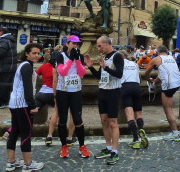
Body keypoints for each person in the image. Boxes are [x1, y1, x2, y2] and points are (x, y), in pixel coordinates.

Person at [6, 43, 44, 171]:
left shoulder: (22, 65)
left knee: (14, 132)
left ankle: (11, 162)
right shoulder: (27, 67)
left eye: (38, 53)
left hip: (14, 103)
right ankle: (28, 164)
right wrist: (32, 105)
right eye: (34, 53)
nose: (37, 56)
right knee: (26, 134)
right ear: (27, 53)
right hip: (23, 105)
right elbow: (28, 88)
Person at [86, 36, 123, 165]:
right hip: (102, 91)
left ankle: (115, 151)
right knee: (104, 120)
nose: (98, 48)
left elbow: (119, 74)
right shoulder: (104, 57)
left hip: (113, 92)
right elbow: (101, 76)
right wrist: (90, 67)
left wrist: (106, 67)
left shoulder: (117, 56)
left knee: (113, 122)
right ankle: (108, 147)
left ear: (107, 43)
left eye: (100, 45)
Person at [54, 35, 90, 159]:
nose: (76, 46)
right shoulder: (60, 56)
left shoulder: (79, 56)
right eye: (73, 44)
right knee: (63, 118)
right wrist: (71, 60)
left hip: (75, 91)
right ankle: (64, 146)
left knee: (77, 118)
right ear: (67, 44)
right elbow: (62, 72)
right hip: (62, 90)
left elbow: (82, 73)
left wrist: (78, 60)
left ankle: (82, 146)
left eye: (77, 44)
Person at [144, 45, 180, 141]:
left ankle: (175, 133)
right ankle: (173, 129)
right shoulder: (172, 58)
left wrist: (149, 79)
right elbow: (162, 73)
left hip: (169, 85)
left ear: (157, 52)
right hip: (177, 83)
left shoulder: (156, 59)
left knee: (167, 110)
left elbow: (146, 73)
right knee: (169, 107)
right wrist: (155, 83)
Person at [35, 56, 75, 146]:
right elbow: (55, 81)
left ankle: (49, 136)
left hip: (41, 93)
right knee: (68, 112)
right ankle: (69, 137)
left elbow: (35, 75)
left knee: (32, 111)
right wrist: (55, 95)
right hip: (56, 93)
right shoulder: (61, 68)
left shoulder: (44, 66)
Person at [118, 50, 148, 149]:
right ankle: (142, 130)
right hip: (136, 86)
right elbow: (139, 76)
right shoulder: (134, 64)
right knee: (138, 114)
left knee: (130, 115)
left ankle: (135, 140)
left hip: (125, 87)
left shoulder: (119, 63)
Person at [0, 27, 18, 109]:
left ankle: (2, 102)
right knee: (6, 85)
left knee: (3, 85)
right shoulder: (10, 39)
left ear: (1, 32)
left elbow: (0, 53)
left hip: (4, 66)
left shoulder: (4, 40)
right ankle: (4, 101)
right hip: (9, 66)